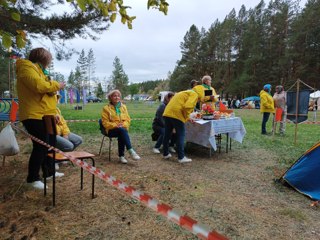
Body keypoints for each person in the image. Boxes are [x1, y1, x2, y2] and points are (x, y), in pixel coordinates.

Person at [16, 47, 65, 190]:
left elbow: (46, 91)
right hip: (33, 115)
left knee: (51, 143)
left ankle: (49, 173)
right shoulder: (26, 68)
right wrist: (57, 85)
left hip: (46, 114)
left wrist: (54, 111)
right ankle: (32, 178)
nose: (50, 61)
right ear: (43, 57)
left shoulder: (40, 71)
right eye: (49, 58)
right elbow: (39, 86)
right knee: (41, 146)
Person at [101, 89, 140, 164]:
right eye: (114, 96)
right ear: (110, 97)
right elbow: (105, 123)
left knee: (122, 131)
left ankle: (122, 156)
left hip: (122, 129)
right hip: (111, 130)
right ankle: (130, 151)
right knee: (122, 131)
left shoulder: (123, 107)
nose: (117, 97)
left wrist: (123, 125)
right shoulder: (106, 108)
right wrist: (116, 125)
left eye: (118, 96)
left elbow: (128, 119)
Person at [162, 89, 199, 163]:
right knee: (181, 135)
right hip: (177, 114)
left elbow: (181, 104)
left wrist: (188, 118)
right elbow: (187, 106)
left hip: (167, 112)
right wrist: (187, 117)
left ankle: (165, 153)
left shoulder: (183, 93)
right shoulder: (195, 94)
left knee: (167, 134)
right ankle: (181, 157)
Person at [54, 93, 83, 170]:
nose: (56, 99)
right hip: (53, 134)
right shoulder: (45, 110)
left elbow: (63, 123)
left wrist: (65, 134)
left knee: (78, 140)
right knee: (69, 146)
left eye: (57, 98)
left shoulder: (57, 109)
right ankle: (54, 160)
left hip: (61, 133)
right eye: (54, 97)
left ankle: (62, 156)